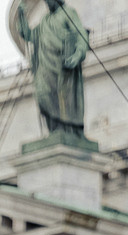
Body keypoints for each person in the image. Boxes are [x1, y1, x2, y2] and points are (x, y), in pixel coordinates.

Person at [15, 0, 90, 140]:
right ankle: (54, 131)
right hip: (45, 68)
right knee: (43, 95)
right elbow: (29, 35)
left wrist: (77, 55)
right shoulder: (45, 20)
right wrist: (21, 15)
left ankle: (66, 131)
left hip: (63, 69)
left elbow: (81, 35)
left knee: (65, 101)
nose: (47, 3)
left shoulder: (68, 13)